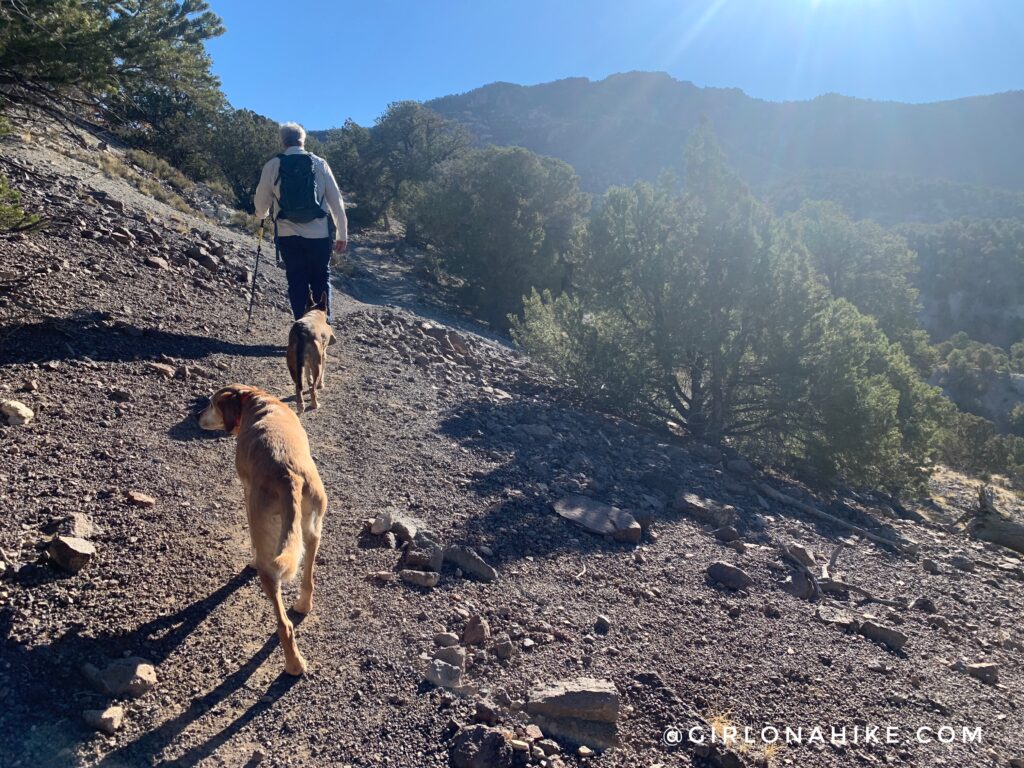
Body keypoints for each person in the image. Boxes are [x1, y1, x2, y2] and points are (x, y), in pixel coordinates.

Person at [254, 122, 348, 323]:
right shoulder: (319, 163)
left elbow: (261, 200)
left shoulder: (273, 165)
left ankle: (302, 327)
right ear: (303, 140)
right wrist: (342, 234)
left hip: (288, 235)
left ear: (283, 141)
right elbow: (336, 201)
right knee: (320, 279)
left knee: (297, 281)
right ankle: (323, 330)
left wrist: (262, 214)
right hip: (319, 234)